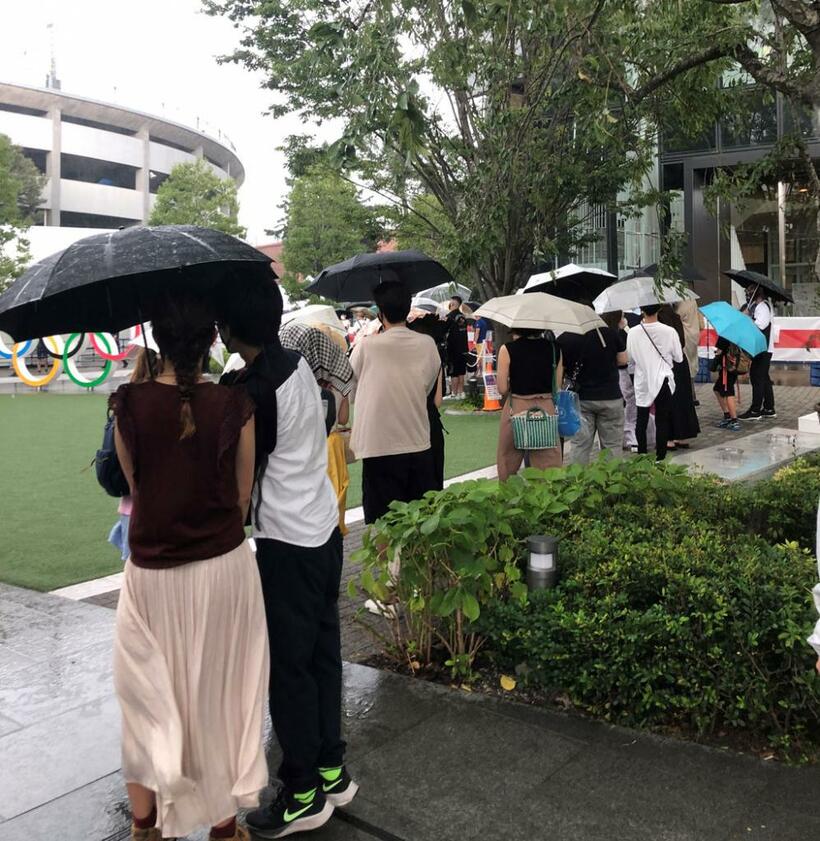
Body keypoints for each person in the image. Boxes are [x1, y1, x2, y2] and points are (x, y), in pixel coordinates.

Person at [109, 290, 265, 841]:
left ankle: (145, 824)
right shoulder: (233, 404)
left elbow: (135, 488)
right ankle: (224, 825)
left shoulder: (127, 405)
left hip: (150, 574)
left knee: (145, 698)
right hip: (223, 570)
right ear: (211, 341)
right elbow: (242, 497)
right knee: (218, 695)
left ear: (156, 339)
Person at [217, 279, 355, 839]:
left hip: (287, 542)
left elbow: (241, 477)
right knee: (323, 653)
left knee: (290, 669)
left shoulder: (247, 391)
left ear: (228, 330)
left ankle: (301, 792)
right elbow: (323, 412)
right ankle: (331, 767)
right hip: (324, 528)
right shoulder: (297, 362)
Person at [350, 279, 442, 524]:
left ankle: (387, 564)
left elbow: (352, 384)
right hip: (417, 441)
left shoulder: (366, 346)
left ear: (380, 314)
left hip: (378, 446)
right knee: (419, 520)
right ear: (408, 309)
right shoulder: (427, 344)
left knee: (382, 522)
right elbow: (428, 385)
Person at [107, 348, 158, 563]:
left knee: (133, 569)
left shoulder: (128, 398)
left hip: (131, 504)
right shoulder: (146, 404)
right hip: (150, 504)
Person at [496, 327, 563, 480]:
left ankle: (508, 497)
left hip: (517, 406)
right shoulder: (555, 348)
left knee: (508, 459)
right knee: (548, 462)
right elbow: (557, 385)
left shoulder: (507, 349)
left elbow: (502, 388)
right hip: (545, 406)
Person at [560, 313, 626, 465]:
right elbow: (623, 359)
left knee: (580, 445)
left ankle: (578, 483)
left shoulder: (565, 338)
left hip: (580, 400)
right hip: (611, 396)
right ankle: (612, 483)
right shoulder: (609, 333)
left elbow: (560, 369)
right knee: (612, 446)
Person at [626, 304, 684, 462]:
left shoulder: (632, 332)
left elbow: (629, 360)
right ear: (659, 309)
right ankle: (660, 457)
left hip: (642, 380)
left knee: (642, 419)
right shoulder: (669, 331)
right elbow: (679, 357)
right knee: (662, 419)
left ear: (642, 310)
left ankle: (642, 455)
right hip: (663, 379)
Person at [657, 305, 700, 449]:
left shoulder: (658, 321)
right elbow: (681, 342)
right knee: (683, 399)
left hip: (665, 363)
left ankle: (668, 437)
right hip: (681, 362)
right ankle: (682, 436)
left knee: (667, 399)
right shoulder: (676, 318)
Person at [739, 286, 776, 420]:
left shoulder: (763, 307)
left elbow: (760, 325)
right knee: (764, 378)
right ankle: (769, 408)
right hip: (762, 348)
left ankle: (755, 410)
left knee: (757, 377)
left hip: (763, 349)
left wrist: (747, 318)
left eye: (750, 290)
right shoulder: (759, 306)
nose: (747, 293)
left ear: (757, 292)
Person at [712, 336, 742, 432]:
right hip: (733, 366)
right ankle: (728, 415)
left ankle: (733, 419)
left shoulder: (725, 336)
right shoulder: (738, 334)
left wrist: (717, 354)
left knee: (728, 392)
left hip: (727, 368)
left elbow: (720, 350)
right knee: (717, 389)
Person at [445, 296, 469, 399]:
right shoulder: (463, 317)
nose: (450, 305)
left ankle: (454, 393)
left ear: (457, 304)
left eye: (452, 304)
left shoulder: (449, 317)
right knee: (461, 371)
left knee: (454, 372)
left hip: (453, 348)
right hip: (463, 348)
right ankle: (461, 392)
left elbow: (445, 332)